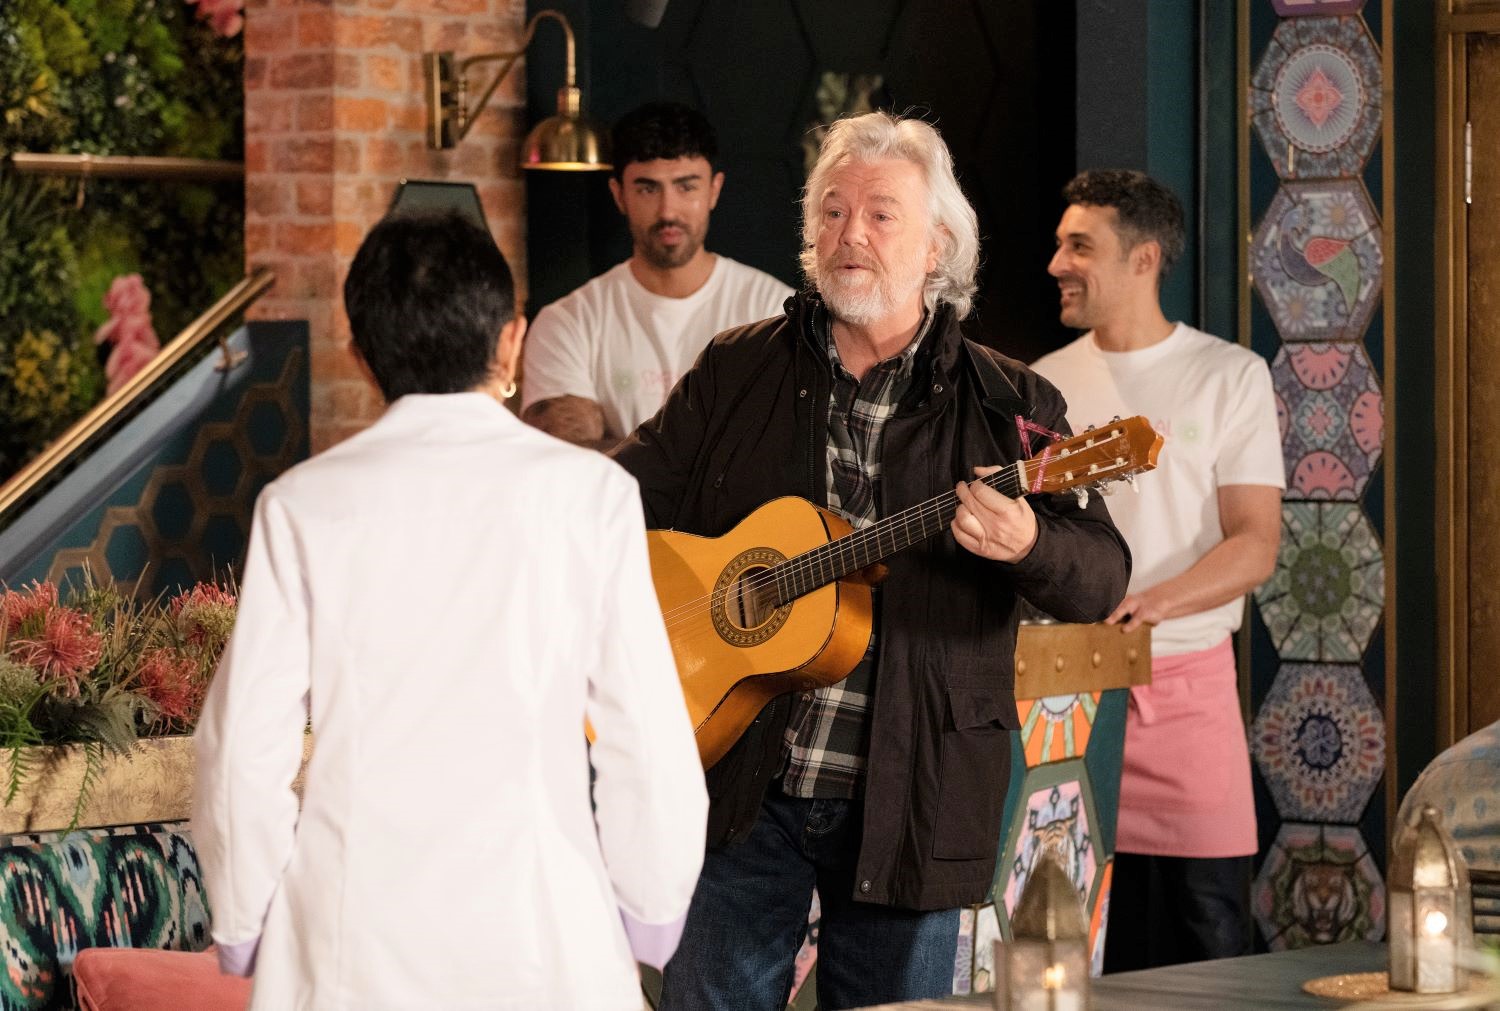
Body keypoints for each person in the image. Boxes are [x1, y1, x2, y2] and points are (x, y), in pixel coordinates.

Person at [611, 112, 1131, 1011]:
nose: (850, 233)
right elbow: (621, 505)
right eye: (832, 211)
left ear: (937, 245)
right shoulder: (738, 370)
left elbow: (1104, 571)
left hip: (913, 792)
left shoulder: (1014, 402)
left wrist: (1031, 543)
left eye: (882, 214)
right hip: (739, 785)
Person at [192, 212, 707, 1009]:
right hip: (546, 937)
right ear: (512, 342)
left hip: (348, 943)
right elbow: (647, 736)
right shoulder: (592, 495)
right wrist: (650, 914)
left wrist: (246, 921)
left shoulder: (301, 506)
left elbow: (238, 750)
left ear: (360, 354)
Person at [1031, 169, 1284, 971]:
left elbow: (1255, 541)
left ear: (1144, 260)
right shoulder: (1044, 381)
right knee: (1076, 941)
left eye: (1080, 245)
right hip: (1068, 699)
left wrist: (1154, 601)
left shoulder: (1229, 374)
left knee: (1209, 942)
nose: (1057, 263)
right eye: (1060, 242)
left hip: (1189, 693)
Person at [521, 100, 792, 449]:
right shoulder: (569, 321)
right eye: (647, 189)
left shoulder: (775, 312)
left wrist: (619, 447)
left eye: (686, 186)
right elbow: (570, 462)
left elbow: (780, 452)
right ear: (619, 195)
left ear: (714, 189)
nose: (668, 211)